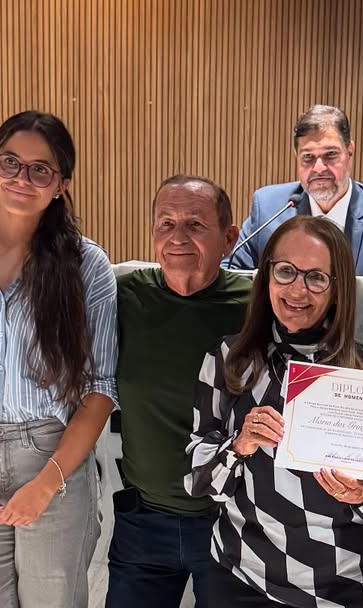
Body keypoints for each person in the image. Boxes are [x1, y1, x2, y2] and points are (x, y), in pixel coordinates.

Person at [0, 111, 118, 607]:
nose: (21, 178)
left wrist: (47, 483)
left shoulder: (86, 265)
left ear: (61, 184)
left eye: (40, 169)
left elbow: (100, 388)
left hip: (50, 458)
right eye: (10, 162)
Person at [187, 215, 363, 607]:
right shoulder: (227, 359)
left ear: (337, 289)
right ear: (266, 276)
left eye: (316, 277)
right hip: (241, 580)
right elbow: (196, 480)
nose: (297, 289)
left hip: (342, 587)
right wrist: (238, 446)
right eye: (285, 271)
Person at [105, 175, 252, 608]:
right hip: (142, 524)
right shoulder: (123, 295)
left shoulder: (259, 306)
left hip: (233, 523)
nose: (177, 237)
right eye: (165, 224)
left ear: (229, 238)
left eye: (195, 224)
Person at [225, 104, 363, 278]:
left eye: (330, 155)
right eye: (308, 157)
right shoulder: (269, 208)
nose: (319, 168)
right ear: (296, 157)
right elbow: (231, 274)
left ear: (350, 151)